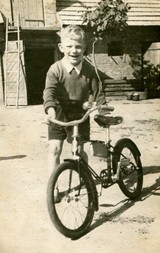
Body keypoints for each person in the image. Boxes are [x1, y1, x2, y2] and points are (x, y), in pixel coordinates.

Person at [43, 25, 106, 178]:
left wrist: (101, 108)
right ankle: (54, 185)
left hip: (80, 114)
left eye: (78, 46)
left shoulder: (89, 70)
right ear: (61, 47)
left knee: (79, 149)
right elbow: (49, 92)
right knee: (54, 149)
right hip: (59, 113)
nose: (74, 50)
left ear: (84, 47)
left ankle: (84, 179)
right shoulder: (55, 69)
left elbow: (97, 91)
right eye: (69, 46)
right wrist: (50, 110)